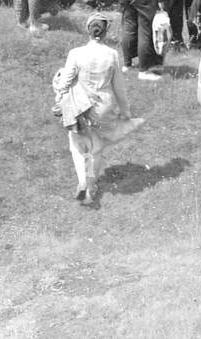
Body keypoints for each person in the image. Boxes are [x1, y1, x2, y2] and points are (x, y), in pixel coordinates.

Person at [52, 13, 145, 204]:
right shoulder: (111, 54)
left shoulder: (76, 54)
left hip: (79, 106)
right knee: (96, 147)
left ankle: (82, 182)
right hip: (103, 105)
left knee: (77, 145)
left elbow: (66, 81)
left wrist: (59, 97)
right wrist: (125, 111)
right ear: (105, 31)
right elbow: (119, 87)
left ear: (88, 30)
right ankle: (91, 185)